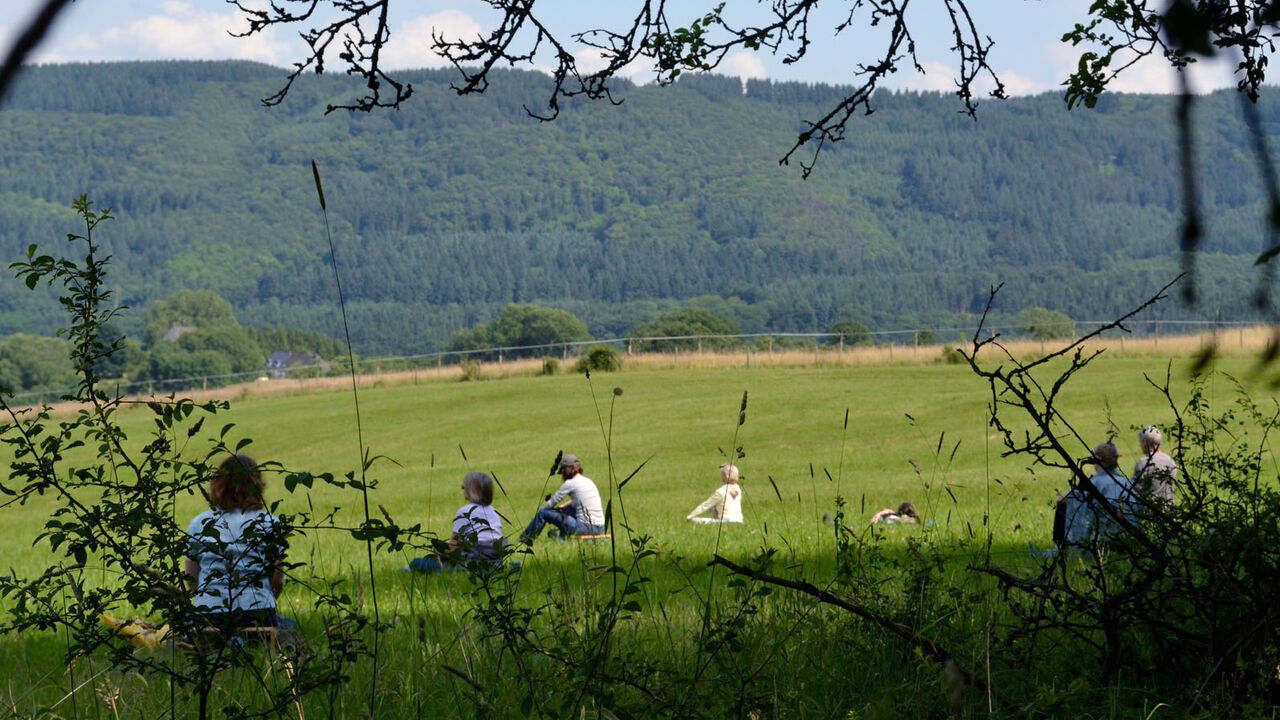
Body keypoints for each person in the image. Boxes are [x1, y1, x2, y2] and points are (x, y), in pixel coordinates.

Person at [185, 455, 290, 630]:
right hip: (258, 611)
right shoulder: (270, 523)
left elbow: (191, 577)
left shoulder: (199, 523)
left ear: (218, 485)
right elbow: (277, 578)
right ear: (257, 485)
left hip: (210, 613)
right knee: (289, 625)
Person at [409, 471, 504, 572]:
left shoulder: (465, 511)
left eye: (464, 487)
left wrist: (438, 550)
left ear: (471, 491)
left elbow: (453, 549)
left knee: (416, 563)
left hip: (470, 565)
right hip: (494, 564)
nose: (463, 489)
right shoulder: (493, 511)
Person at [1058, 441, 1135, 548]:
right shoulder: (1127, 481)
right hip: (1130, 539)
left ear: (1097, 458)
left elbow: (1060, 499)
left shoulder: (1093, 483)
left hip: (1103, 540)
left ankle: (1065, 546)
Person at [521, 454, 605, 543]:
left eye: (563, 471)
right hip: (600, 527)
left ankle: (525, 540)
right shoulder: (588, 481)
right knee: (565, 513)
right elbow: (579, 502)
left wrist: (555, 510)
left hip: (585, 528)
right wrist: (563, 508)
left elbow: (550, 504)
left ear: (567, 469)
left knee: (542, 512)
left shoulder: (570, 483)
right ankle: (561, 540)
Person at [1132, 425, 1177, 507]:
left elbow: (1135, 489)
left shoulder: (1143, 463)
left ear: (1145, 443)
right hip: (1169, 510)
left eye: (1140, 442)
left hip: (1149, 512)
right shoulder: (1171, 461)